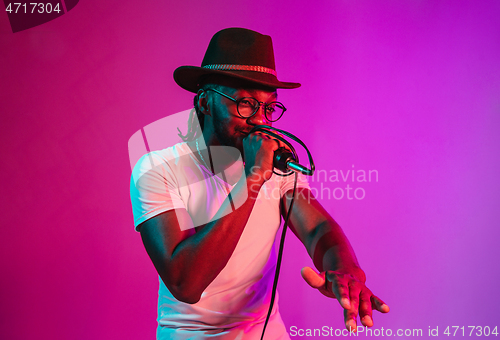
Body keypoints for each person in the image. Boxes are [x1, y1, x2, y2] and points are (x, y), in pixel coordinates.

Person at [130, 27, 389, 339]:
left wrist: (346, 271)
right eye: (245, 103)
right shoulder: (158, 169)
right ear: (204, 103)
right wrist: (253, 179)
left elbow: (318, 229)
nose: (260, 120)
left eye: (267, 107)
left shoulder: (276, 164)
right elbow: (186, 282)